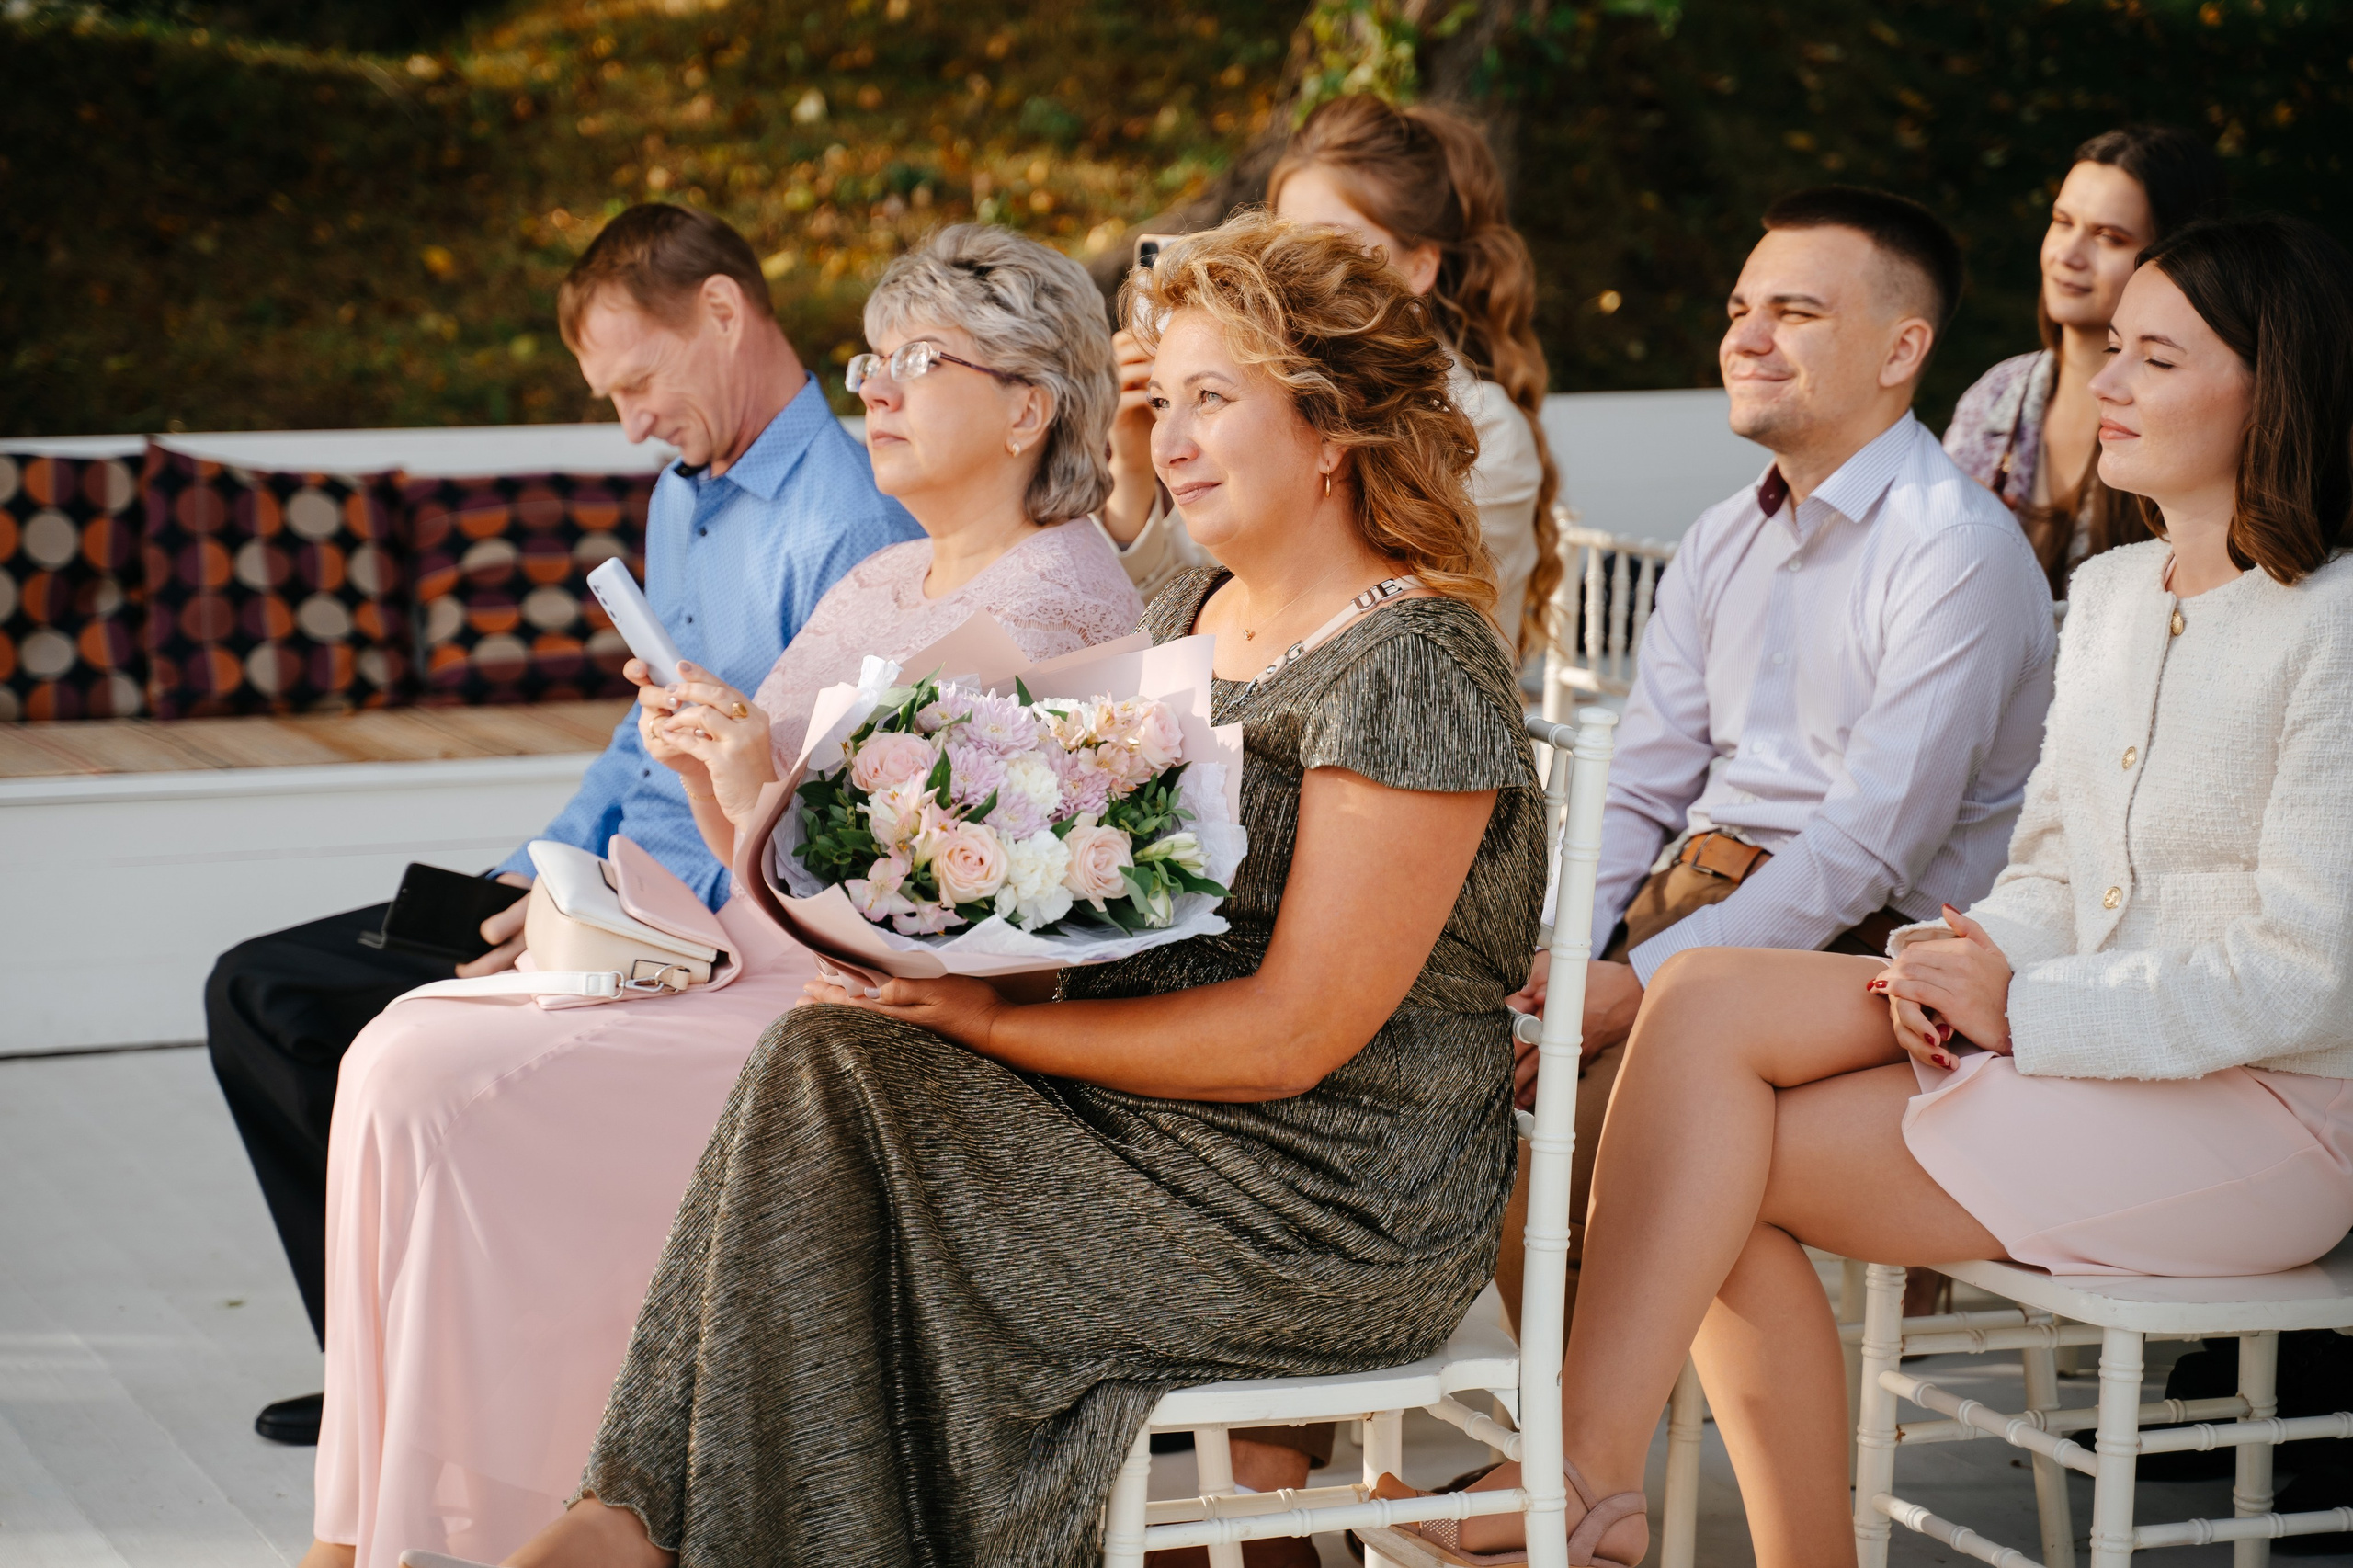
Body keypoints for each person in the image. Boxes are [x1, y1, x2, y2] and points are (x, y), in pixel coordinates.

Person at [474, 209, 1541, 1568]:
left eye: (1216, 399)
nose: (1172, 442)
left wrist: (985, 1025)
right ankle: (630, 1520)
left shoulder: (1418, 668)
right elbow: (1084, 916)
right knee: (832, 1058)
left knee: (850, 1126)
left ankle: (633, 1532)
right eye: (1169, 402)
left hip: (1327, 1200)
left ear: (1334, 429)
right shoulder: (1183, 618)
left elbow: (1294, 1035)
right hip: (1150, 1129)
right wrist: (929, 934)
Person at [1381, 211, 2353, 1568]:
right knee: (1706, 1050)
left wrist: (2027, 1006)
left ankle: (1577, 1473)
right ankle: (1611, 1481)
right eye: (2112, 351)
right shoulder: (2122, 592)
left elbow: (2312, 970)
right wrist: (1968, 963)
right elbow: (2055, 868)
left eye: (2157, 360)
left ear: (2276, 388)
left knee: (1697, 1160)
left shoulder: (2333, 624)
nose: (2107, 384)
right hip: (2080, 1047)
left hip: (2264, 1117)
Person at [301, 225, 1143, 1568]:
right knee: (395, 1045)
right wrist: (714, 757)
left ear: (1028, 404)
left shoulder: (1057, 604)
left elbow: (942, 927)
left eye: (912, 363)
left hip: (857, 1029)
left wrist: (756, 783)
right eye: (872, 358)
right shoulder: (886, 576)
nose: (871, 388)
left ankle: (468, 1521)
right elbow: (762, 831)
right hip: (755, 963)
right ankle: (383, 1525)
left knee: (429, 1083)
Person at [203, 203, 918, 1445]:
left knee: (302, 1000)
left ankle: (416, 1380)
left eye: (637, 381)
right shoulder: (684, 498)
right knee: (262, 991)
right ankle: (390, 1365)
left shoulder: (850, 524)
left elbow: (792, 815)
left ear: (724, 312)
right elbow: (637, 737)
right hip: (599, 881)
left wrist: (599, 910)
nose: (630, 422)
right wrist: (532, 865)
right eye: (609, 396)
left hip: (689, 923)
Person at [1494, 187, 2057, 1337]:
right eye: (1741, 306)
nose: (1744, 337)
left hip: (1872, 943)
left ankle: (1554, 1484)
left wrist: (1634, 990)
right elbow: (1644, 781)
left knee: (1557, 1160)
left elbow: (1863, 850)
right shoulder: (1721, 534)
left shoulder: (1953, 550)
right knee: (1460, 1085)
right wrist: (1566, 954)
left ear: (1904, 349)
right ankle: (1548, 1464)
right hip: (1697, 894)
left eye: (1792, 311)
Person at [1101, 95, 1560, 665]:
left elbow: (1382, 648)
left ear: (1421, 265)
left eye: (1329, 241)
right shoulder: (1228, 411)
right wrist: (1135, 465)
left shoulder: (1484, 426)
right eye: (1284, 238)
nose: (1292, 267)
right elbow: (1177, 616)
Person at [1944, 126, 2227, 596]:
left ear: (2173, 256)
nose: (2069, 255)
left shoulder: (2189, 412)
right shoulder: (1997, 393)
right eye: (2061, 221)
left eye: (2109, 237)